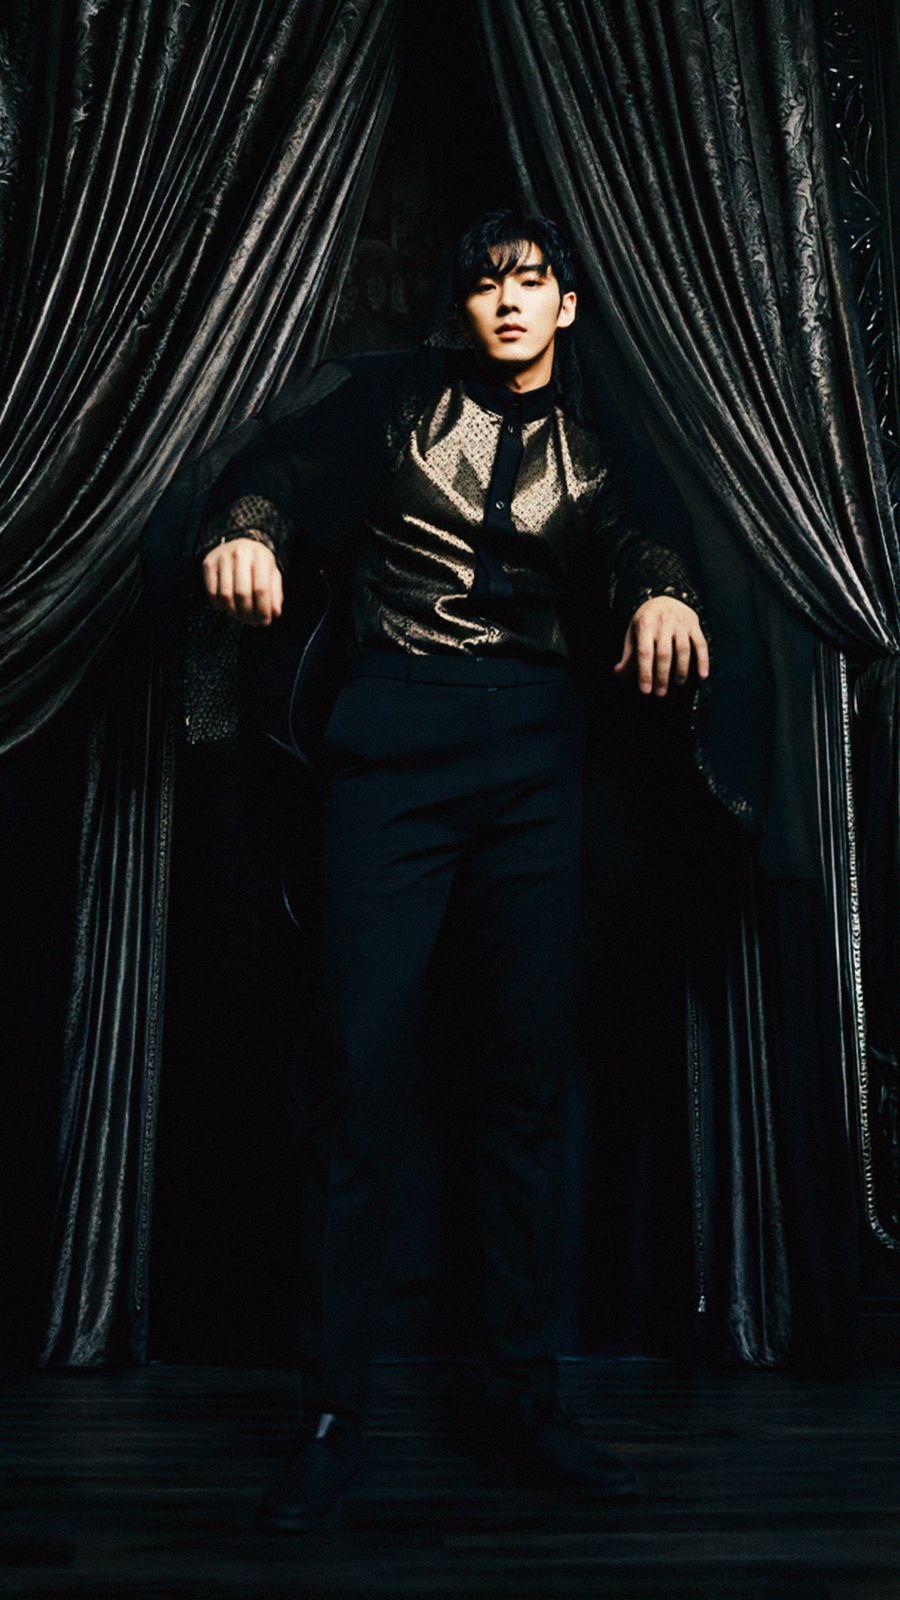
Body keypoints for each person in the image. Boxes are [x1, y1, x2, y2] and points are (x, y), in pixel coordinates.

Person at [187, 208, 710, 1532]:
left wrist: (662, 593)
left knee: (525, 1088)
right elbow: (278, 468)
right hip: (392, 747)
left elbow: (648, 536)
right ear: (464, 308)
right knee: (356, 1075)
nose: (510, 300)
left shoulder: (602, 443)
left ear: (568, 305)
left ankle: (527, 1405)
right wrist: (246, 527)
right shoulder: (394, 404)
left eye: (533, 282)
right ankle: (330, 1413)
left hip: (535, 757)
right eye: (487, 284)